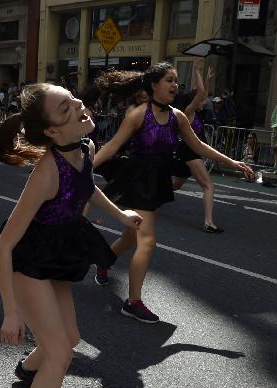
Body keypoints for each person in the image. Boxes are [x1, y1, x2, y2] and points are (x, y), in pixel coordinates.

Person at [0, 83, 142, 388]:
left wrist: (121, 215)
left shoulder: (85, 148)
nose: (79, 107)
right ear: (52, 132)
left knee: (68, 338)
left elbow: (88, 188)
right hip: (28, 261)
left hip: (59, 250)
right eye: (66, 107)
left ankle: (26, 370)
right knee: (60, 354)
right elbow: (4, 248)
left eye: (75, 100)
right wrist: (11, 313)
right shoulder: (46, 172)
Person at [91, 63, 254, 322]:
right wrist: (82, 169)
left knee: (132, 238)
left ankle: (103, 260)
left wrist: (232, 162)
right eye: (169, 80)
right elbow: (111, 147)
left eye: (176, 80)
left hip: (158, 180)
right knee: (147, 240)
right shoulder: (138, 115)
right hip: (138, 179)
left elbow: (198, 145)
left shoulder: (177, 116)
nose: (175, 85)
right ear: (154, 84)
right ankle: (133, 302)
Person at [171, 60, 222, 233]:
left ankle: (153, 194)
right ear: (194, 100)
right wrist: (196, 71)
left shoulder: (196, 113)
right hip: (189, 153)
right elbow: (201, 93)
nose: (204, 101)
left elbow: (203, 92)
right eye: (201, 100)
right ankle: (209, 222)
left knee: (176, 185)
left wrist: (206, 79)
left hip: (188, 153)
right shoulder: (188, 112)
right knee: (208, 185)